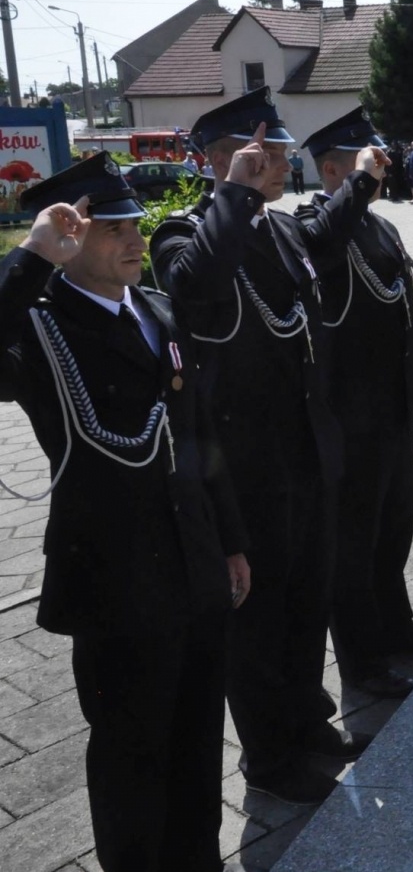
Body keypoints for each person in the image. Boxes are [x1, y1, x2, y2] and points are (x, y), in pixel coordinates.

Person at [1, 154, 249, 871]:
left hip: (193, 564)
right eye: (113, 229)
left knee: (197, 741)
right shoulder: (43, 325)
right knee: (130, 756)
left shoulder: (159, 311)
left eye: (135, 223)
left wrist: (231, 541)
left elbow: (199, 436)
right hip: (115, 580)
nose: (136, 239)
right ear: (71, 239)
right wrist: (31, 256)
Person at [150, 87, 385, 805]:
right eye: (271, 153)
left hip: (304, 451)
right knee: (258, 617)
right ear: (226, 159)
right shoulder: (185, 233)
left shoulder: (279, 227)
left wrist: (363, 182)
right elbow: (192, 284)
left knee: (307, 598)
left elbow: (325, 239)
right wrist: (233, 193)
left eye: (282, 153)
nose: (285, 164)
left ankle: (307, 720)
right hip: (245, 464)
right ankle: (270, 756)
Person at [296, 109, 413, 700]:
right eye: (364, 161)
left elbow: (408, 319)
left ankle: (397, 630)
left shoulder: (381, 228)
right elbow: (321, 245)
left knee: (393, 530)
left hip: (390, 408)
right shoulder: (312, 224)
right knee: (353, 545)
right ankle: (362, 662)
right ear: (333, 170)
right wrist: (358, 186)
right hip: (346, 417)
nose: (379, 168)